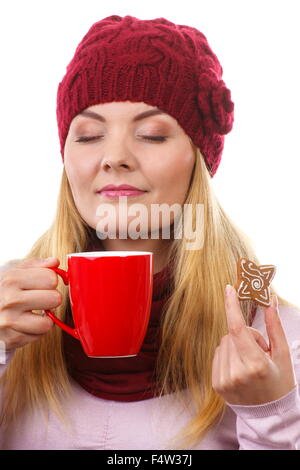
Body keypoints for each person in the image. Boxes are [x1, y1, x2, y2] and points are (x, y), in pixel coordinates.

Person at [0, 14, 300, 451]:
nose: (115, 157)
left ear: (199, 161)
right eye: (87, 136)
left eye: (152, 134)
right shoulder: (9, 313)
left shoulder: (278, 344)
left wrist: (271, 418)